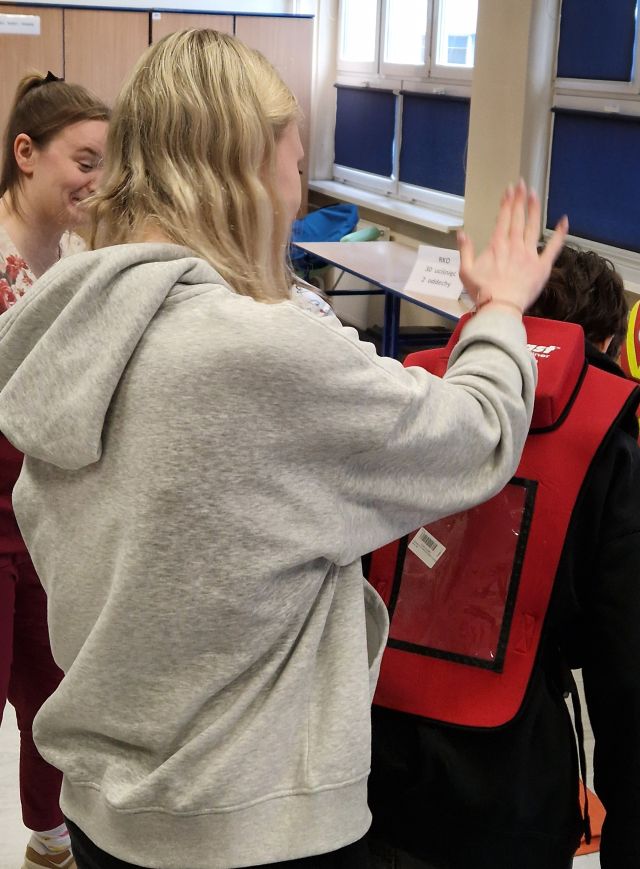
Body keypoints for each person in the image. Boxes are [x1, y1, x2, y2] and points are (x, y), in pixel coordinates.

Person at [0, 29, 566, 869]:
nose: (298, 197)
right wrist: (501, 311)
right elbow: (476, 433)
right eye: (296, 167)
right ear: (250, 169)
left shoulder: (65, 323)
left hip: (105, 809)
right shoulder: (260, 353)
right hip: (245, 822)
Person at [367, 244, 640, 869]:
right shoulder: (611, 448)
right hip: (510, 791)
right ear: (601, 340)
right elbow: (626, 677)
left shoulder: (407, 391)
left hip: (368, 764)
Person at [0, 71, 109, 869]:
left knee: (54, 697)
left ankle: (49, 837)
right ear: (26, 154)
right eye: (85, 161)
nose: (96, 181)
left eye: (107, 165)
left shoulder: (79, 258)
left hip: (47, 521)